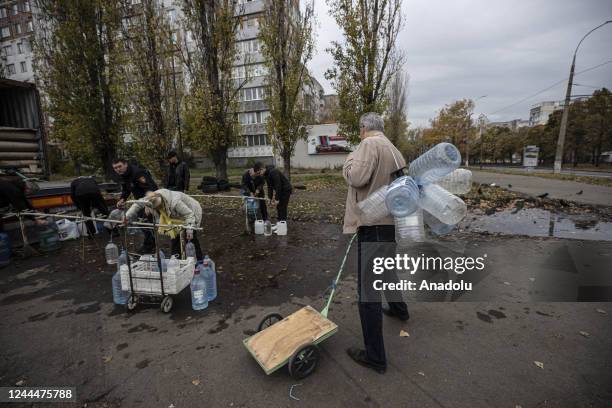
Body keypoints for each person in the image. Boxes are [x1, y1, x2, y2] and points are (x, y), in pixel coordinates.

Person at [342, 112, 410, 374]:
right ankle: (400, 310)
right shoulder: (393, 148)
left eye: (359, 130)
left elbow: (356, 178)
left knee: (368, 294)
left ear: (363, 128)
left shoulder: (368, 145)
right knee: (388, 272)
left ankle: (375, 357)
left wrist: (348, 160)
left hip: (372, 223)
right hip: (389, 222)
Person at [125, 189, 203, 260]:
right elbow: (137, 204)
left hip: (192, 212)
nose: (157, 209)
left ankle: (199, 260)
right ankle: (176, 259)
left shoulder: (175, 203)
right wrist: (127, 216)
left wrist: (190, 229)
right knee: (175, 237)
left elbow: (189, 215)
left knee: (190, 238)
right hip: (176, 217)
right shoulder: (151, 197)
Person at [112, 158, 158, 253]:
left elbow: (150, 188)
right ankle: (150, 244)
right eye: (115, 168)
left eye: (119, 166)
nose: (118, 169)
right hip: (139, 201)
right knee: (142, 223)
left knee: (145, 223)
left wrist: (148, 204)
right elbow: (126, 189)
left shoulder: (137, 173)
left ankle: (150, 246)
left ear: (126, 164)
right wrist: (122, 199)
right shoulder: (123, 175)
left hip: (150, 199)